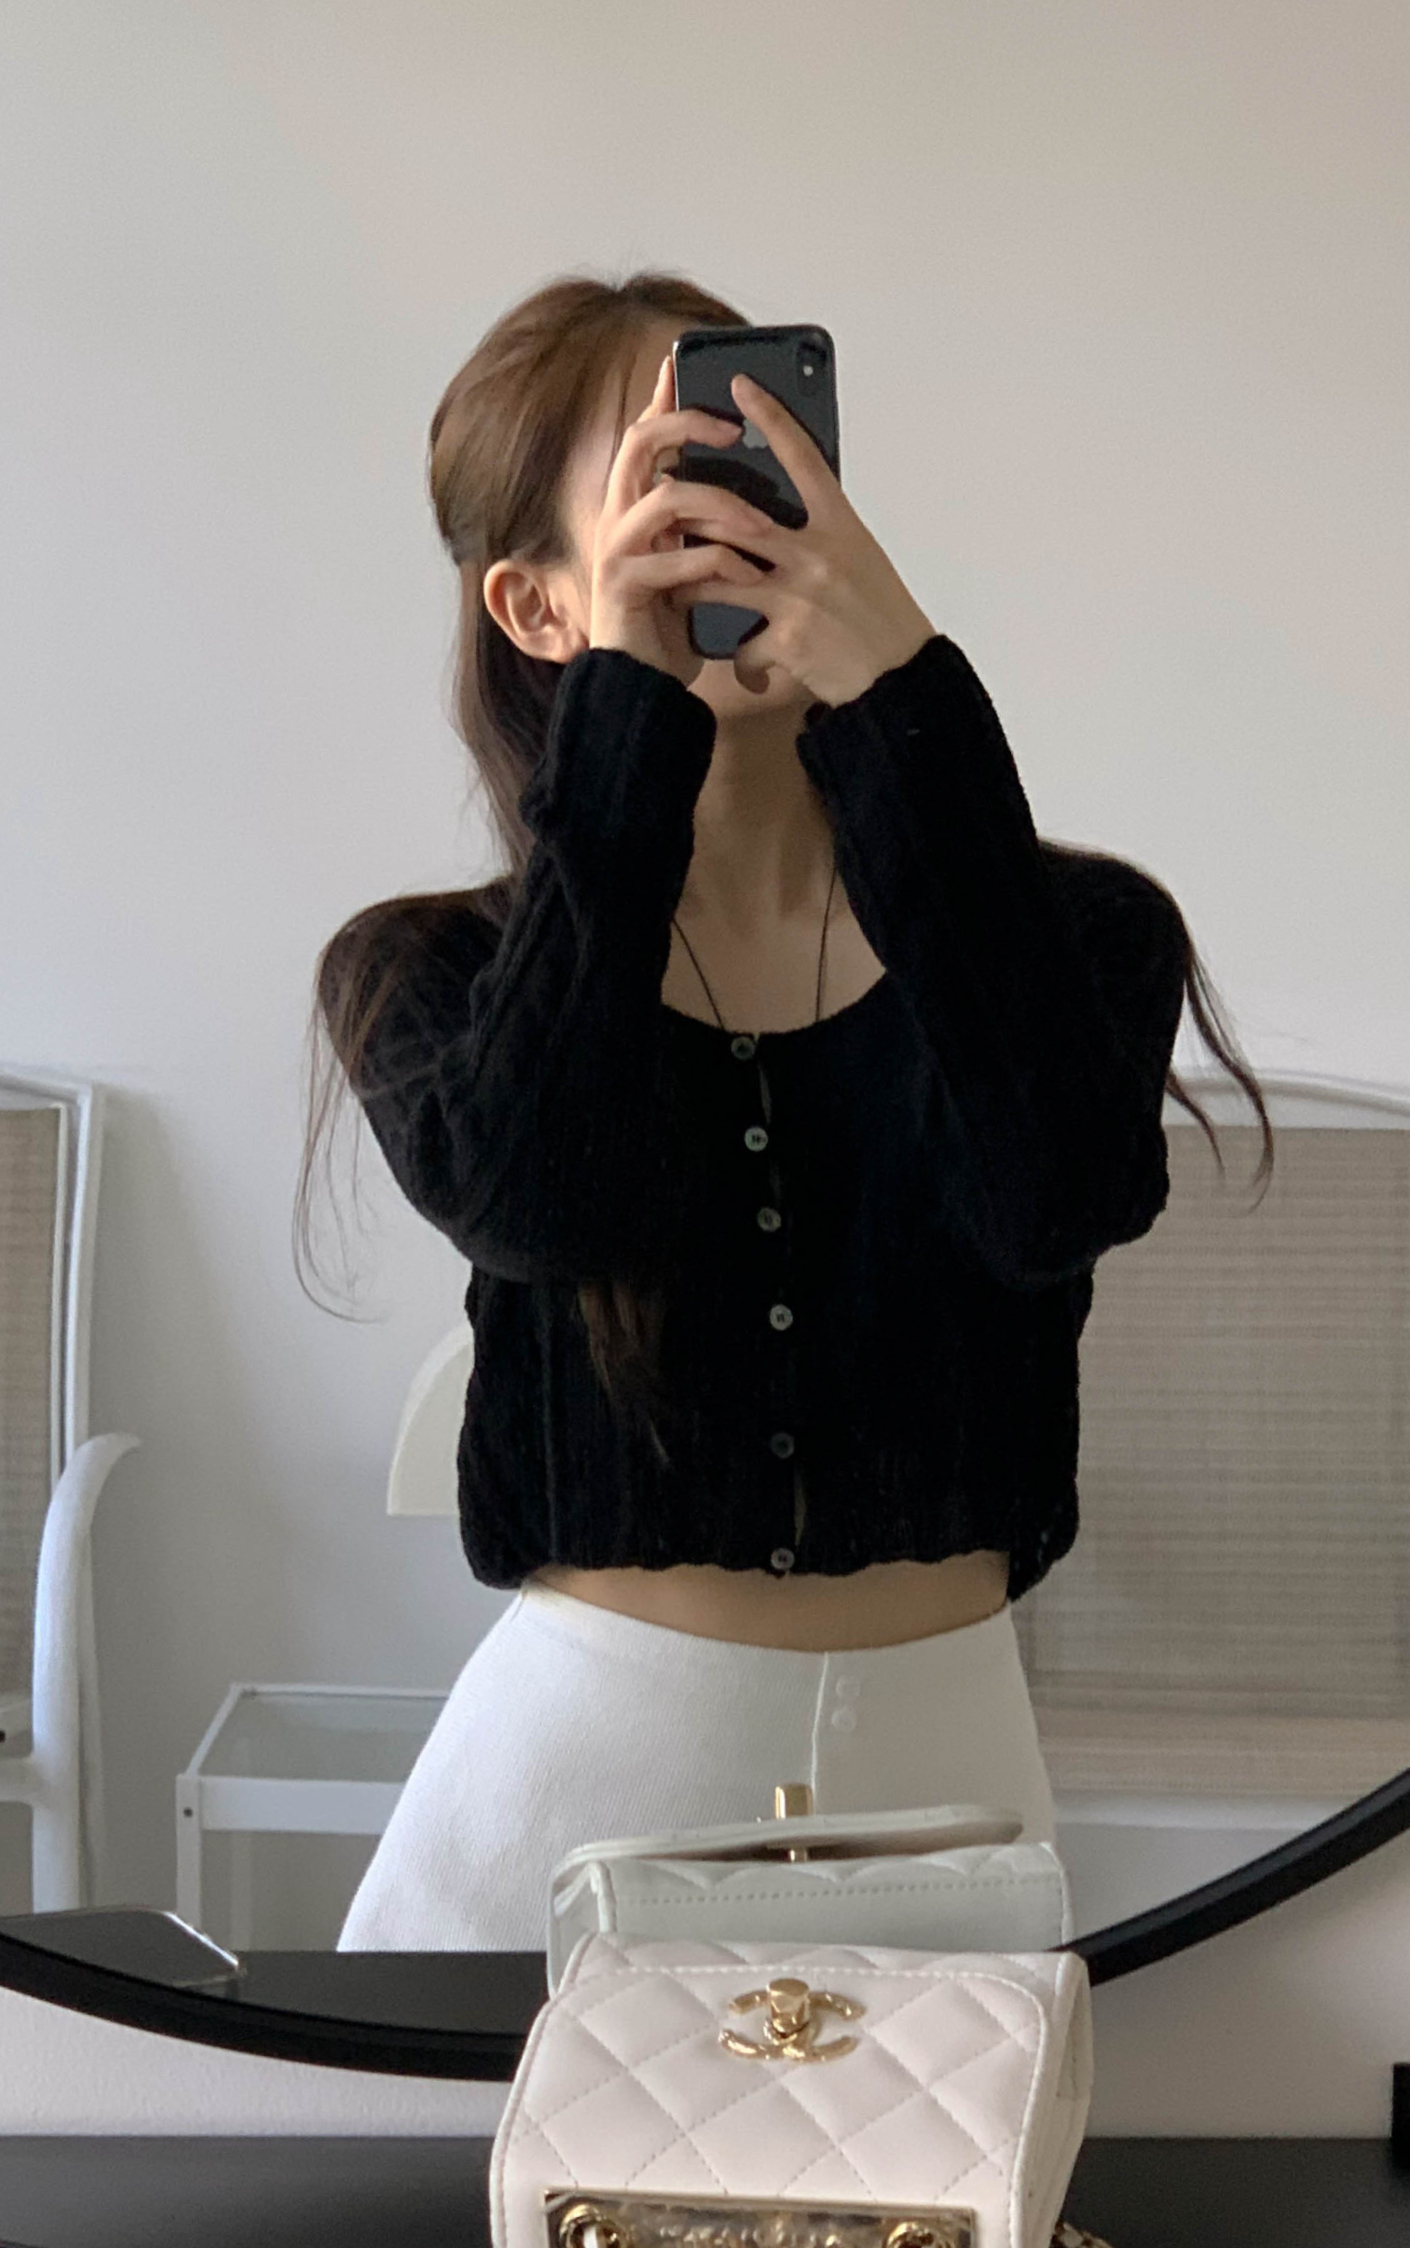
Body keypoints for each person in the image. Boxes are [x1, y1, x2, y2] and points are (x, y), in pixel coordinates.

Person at [299, 271, 1270, 1952]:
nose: (728, 527)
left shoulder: (1081, 936)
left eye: (750, 462)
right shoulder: (424, 974)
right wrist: (628, 727)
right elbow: (536, 1195)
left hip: (952, 1785)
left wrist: (910, 694)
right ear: (537, 606)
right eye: (662, 483)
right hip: (569, 1789)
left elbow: (1053, 1195)